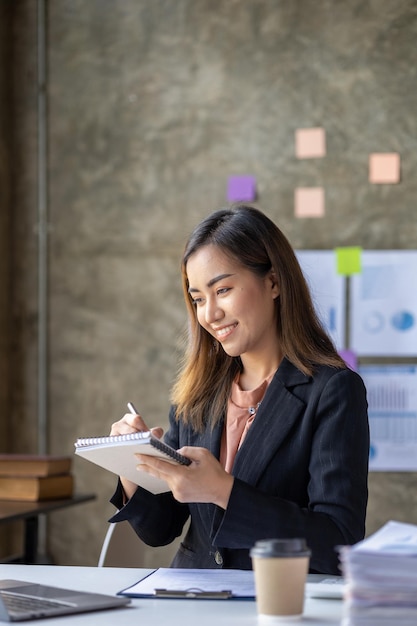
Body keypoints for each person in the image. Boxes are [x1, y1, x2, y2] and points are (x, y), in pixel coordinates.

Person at [108, 204, 369, 574]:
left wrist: (223, 490)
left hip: (276, 603)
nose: (209, 313)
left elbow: (338, 541)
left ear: (274, 282)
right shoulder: (197, 395)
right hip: (193, 603)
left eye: (223, 289)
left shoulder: (333, 391)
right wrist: (132, 464)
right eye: (198, 298)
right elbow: (161, 528)